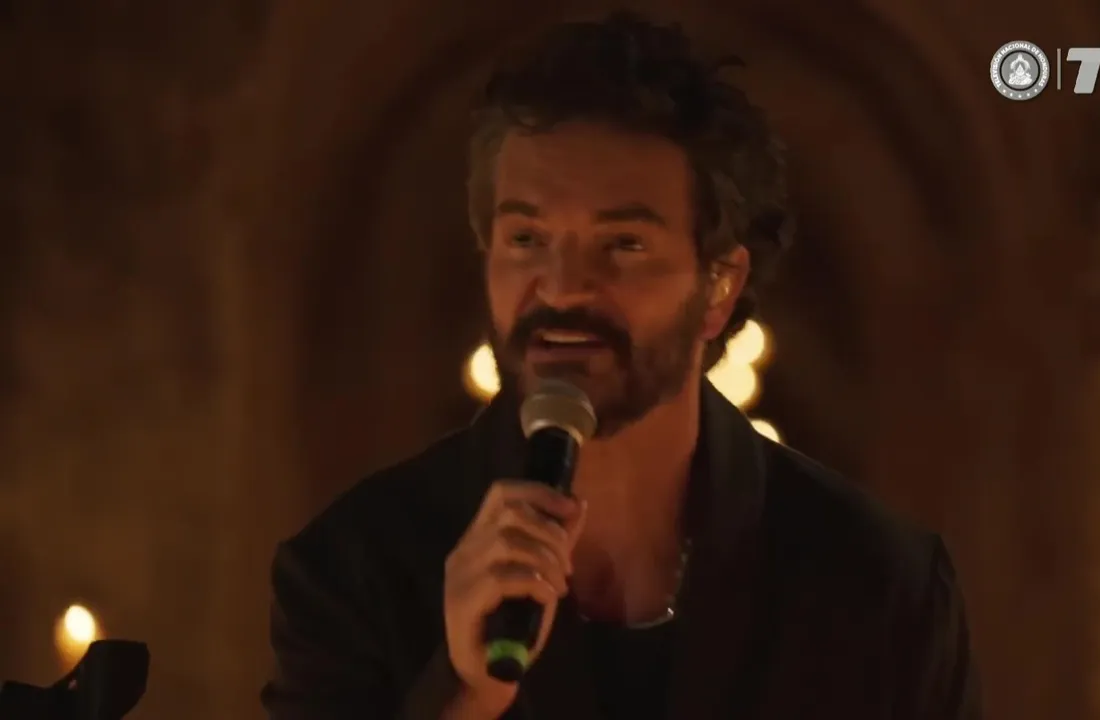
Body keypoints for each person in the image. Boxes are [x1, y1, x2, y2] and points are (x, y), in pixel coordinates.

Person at [261, 11, 981, 720]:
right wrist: (463, 692)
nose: (562, 287)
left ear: (719, 286)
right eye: (526, 239)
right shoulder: (353, 570)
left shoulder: (878, 587)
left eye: (623, 245)